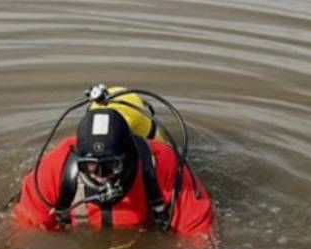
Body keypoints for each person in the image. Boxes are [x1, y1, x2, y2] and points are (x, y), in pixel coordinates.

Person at [13, 92, 214, 237]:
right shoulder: (56, 166)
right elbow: (26, 228)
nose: (101, 175)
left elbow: (198, 231)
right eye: (90, 166)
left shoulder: (162, 163)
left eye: (111, 166)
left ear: (129, 155)